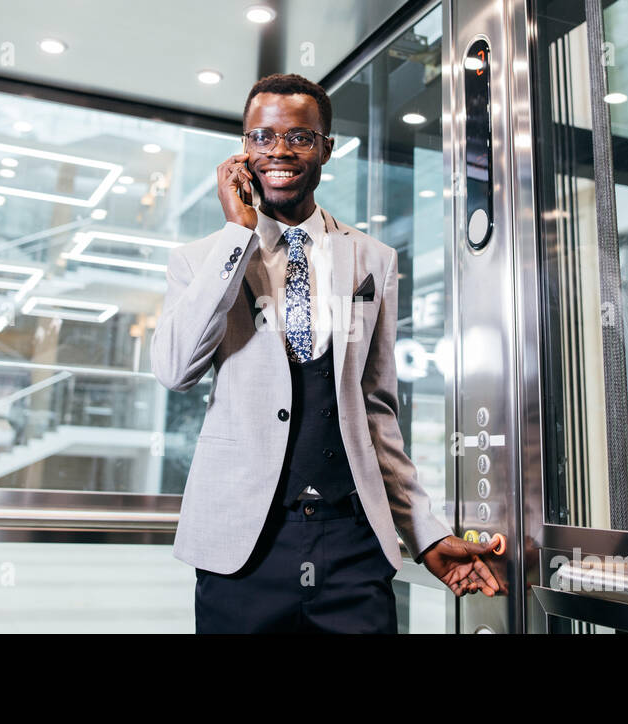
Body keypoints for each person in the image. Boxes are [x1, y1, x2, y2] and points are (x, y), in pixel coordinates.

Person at [151, 73, 502, 634]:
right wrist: (237, 237)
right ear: (243, 149)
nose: (279, 152)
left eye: (300, 137)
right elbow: (175, 370)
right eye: (262, 138)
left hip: (352, 547)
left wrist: (426, 532)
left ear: (326, 149)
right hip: (242, 550)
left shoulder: (373, 258)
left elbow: (377, 410)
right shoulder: (199, 261)